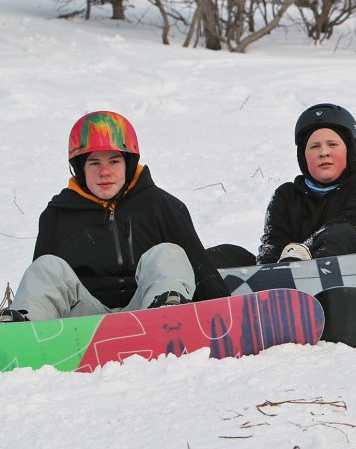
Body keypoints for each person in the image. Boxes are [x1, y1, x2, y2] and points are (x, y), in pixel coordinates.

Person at [0, 110, 228, 323]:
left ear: (128, 163)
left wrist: (227, 317)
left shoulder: (162, 205)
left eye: (114, 161)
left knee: (168, 254)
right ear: (80, 169)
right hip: (82, 322)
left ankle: (167, 316)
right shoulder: (57, 214)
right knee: (46, 267)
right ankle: (23, 336)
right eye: (94, 163)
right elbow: (42, 287)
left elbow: (201, 270)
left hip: (147, 313)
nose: (105, 172)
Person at [256, 103, 356, 264]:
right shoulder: (286, 196)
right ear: (303, 155)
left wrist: (302, 255)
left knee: (340, 234)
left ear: (350, 149)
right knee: (226, 253)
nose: (324, 152)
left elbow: (346, 231)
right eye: (314, 146)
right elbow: (272, 248)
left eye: (332, 144)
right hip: (285, 283)